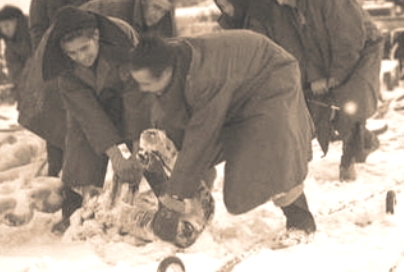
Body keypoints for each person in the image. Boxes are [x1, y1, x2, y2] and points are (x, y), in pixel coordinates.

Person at [128, 32, 315, 248]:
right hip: (235, 89)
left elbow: (201, 138)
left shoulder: (204, 78)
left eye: (147, 83)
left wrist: (174, 199)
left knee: (268, 157)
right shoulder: (165, 59)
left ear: (167, 72)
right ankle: (198, 204)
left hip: (270, 80)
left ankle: (301, 221)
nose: (143, 89)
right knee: (173, 136)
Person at [264, 0, 382, 182]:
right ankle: (365, 142)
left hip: (363, 48)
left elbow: (348, 39)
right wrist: (317, 77)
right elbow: (308, 46)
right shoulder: (294, 6)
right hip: (335, 53)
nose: (279, 1)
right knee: (326, 102)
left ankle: (348, 161)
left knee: (350, 101)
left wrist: (335, 77)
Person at [32, 6, 147, 234]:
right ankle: (74, 213)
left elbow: (138, 100)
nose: (81, 58)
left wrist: (135, 149)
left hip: (129, 100)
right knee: (80, 153)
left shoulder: (123, 44)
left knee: (147, 153)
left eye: (84, 48)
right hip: (90, 106)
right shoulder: (65, 69)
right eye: (72, 53)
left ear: (96, 36)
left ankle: (164, 203)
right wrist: (116, 155)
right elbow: (89, 115)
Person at [82, 0, 177, 38]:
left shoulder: (166, 27)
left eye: (163, 12)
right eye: (156, 8)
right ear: (144, 0)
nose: (158, 16)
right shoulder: (111, 9)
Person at [0, 5, 33, 89]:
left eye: (7, 25)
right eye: (1, 27)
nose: (5, 30)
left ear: (17, 22)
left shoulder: (34, 36)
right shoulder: (10, 48)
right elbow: (15, 73)